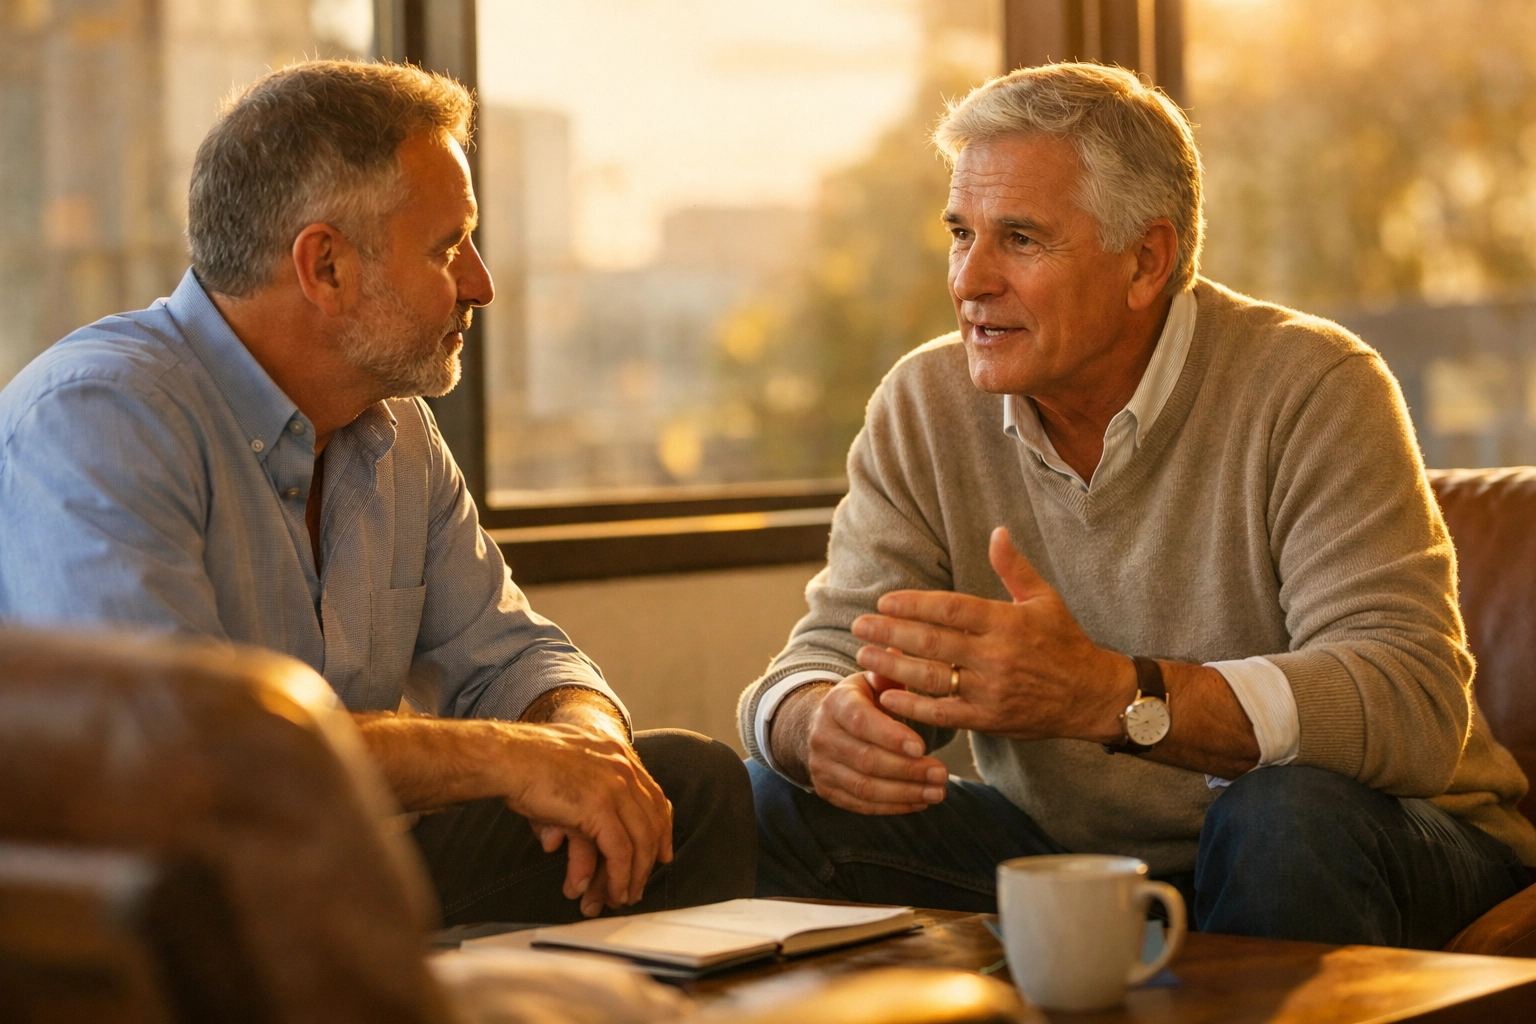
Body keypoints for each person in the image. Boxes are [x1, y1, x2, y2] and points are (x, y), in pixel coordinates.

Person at [738, 62, 1536, 949]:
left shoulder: (1315, 385)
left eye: (1020, 239)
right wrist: (820, 723)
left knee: (1280, 818)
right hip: (1080, 862)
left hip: (1378, 839)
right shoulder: (923, 403)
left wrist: (1113, 697)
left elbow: (1411, 699)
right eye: (961, 234)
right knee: (773, 799)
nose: (969, 280)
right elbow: (821, 653)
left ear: (1146, 261)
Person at [0, 59, 754, 925]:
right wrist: (510, 758)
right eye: (447, 248)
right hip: (165, 896)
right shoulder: (98, 415)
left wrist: (588, 749)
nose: (481, 284)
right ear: (325, 266)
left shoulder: (397, 429)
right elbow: (180, 752)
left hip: (352, 862)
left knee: (688, 788)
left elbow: (511, 658)